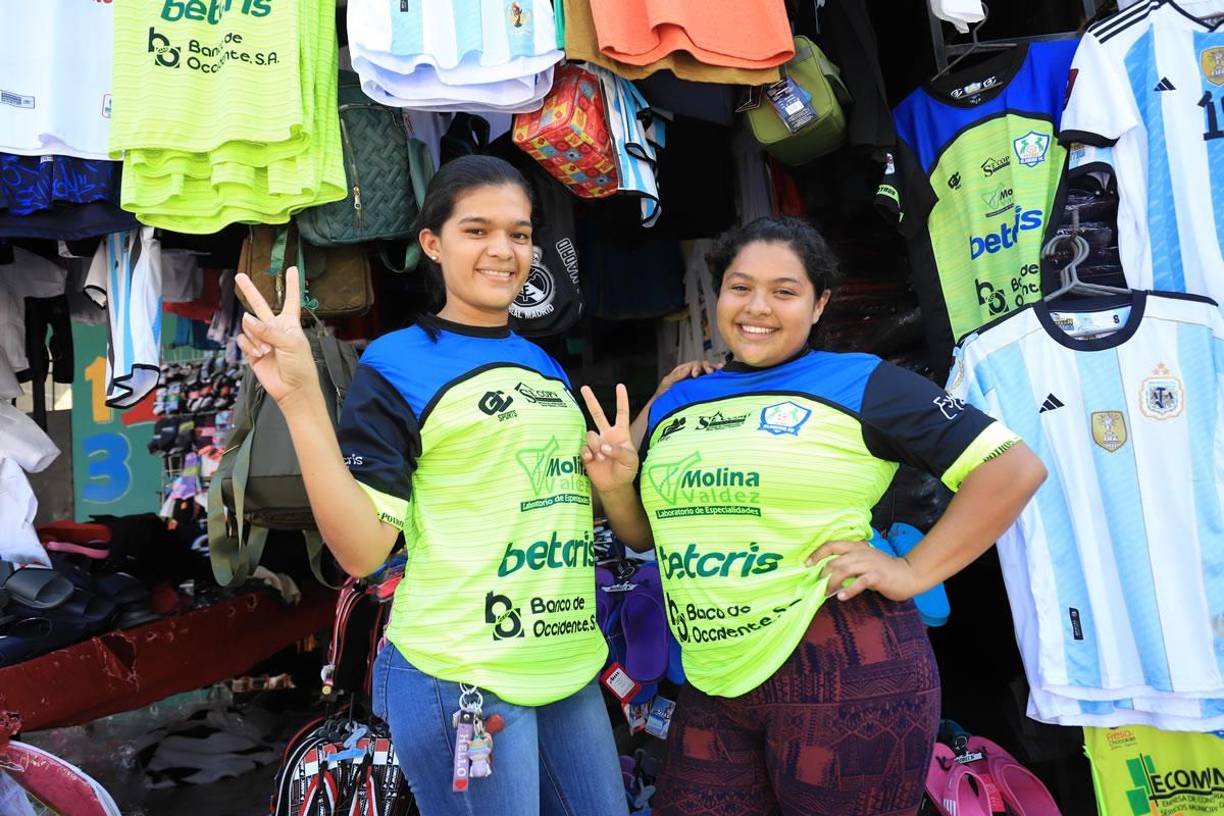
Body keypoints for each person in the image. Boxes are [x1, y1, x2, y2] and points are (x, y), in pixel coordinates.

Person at [580, 216, 1047, 816]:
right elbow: (647, 533)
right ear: (719, 292)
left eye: (785, 291)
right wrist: (618, 489)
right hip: (712, 678)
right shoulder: (677, 396)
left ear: (820, 303)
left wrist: (912, 571)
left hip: (846, 669)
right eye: (740, 286)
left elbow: (1012, 469)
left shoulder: (861, 381)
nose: (758, 307)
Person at [234, 155, 628, 816]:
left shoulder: (542, 361)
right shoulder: (399, 361)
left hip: (565, 660)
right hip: (463, 673)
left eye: (521, 233)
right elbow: (362, 555)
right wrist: (302, 400)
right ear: (432, 244)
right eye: (477, 230)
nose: (504, 250)